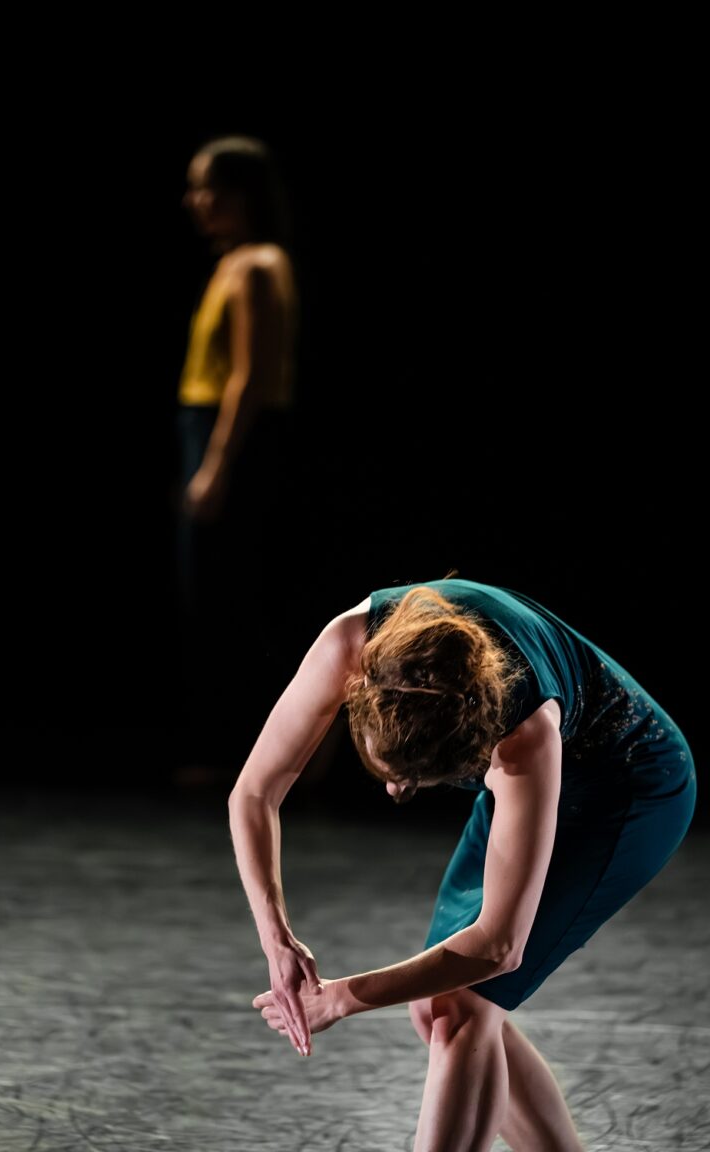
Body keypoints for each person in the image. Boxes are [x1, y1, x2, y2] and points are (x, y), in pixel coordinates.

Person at [228, 575, 696, 1151]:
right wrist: (275, 938)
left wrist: (341, 998)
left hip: (628, 789)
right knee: (434, 1009)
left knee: (460, 1005)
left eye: (416, 779)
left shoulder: (524, 738)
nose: (398, 789)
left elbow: (499, 947)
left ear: (471, 747)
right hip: (530, 776)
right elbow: (253, 794)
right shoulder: (351, 641)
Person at [174, 135, 299, 755]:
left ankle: (253, 749)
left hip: (239, 439)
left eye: (208, 187)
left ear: (243, 194)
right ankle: (224, 740)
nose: (196, 200)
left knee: (235, 595)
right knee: (207, 595)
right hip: (204, 425)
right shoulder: (231, 262)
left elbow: (251, 375)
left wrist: (216, 466)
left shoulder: (259, 265)